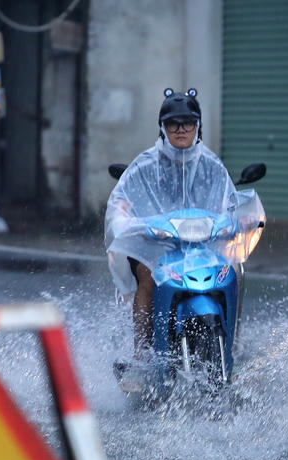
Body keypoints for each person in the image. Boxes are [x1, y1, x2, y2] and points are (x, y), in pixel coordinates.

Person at [105, 88, 239, 362]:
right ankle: (141, 357)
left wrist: (237, 220)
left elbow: (230, 202)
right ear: (162, 128)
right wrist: (125, 221)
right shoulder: (143, 166)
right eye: (172, 124)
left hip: (202, 247)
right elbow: (121, 201)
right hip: (155, 247)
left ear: (198, 127)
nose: (180, 129)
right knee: (146, 276)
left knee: (231, 272)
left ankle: (230, 348)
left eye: (187, 123)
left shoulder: (212, 166)